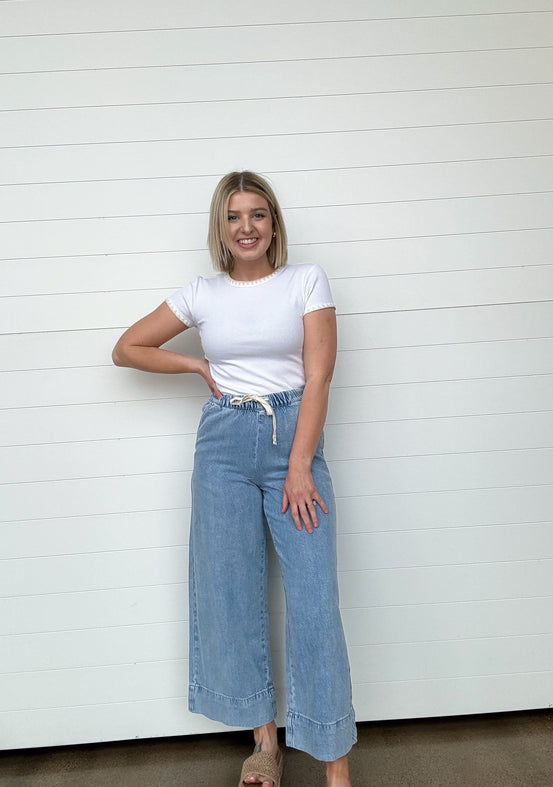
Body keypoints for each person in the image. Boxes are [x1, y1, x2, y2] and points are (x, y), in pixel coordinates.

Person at [112, 171, 356, 786]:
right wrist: (196, 364)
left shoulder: (306, 281)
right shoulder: (202, 294)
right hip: (223, 446)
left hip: (293, 440)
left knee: (314, 601)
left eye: (257, 214)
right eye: (233, 216)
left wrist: (299, 466)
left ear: (274, 223)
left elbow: (320, 376)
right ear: (220, 228)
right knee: (232, 596)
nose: (246, 227)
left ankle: (336, 765)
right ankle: (264, 745)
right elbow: (127, 348)